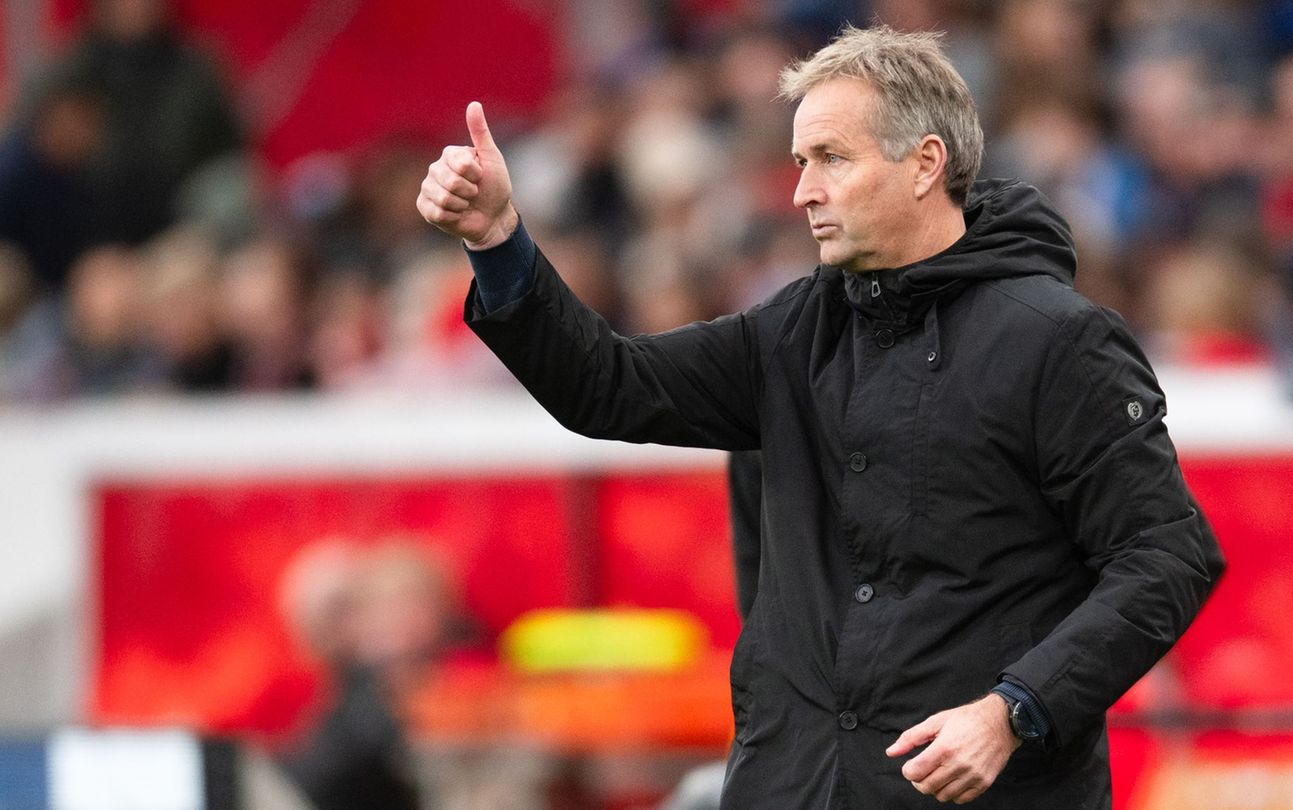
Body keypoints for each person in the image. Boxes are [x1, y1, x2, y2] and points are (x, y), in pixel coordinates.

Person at [418, 24, 1224, 808]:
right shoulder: (792, 330)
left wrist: (1014, 711)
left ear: (925, 164)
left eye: (831, 159)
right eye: (801, 161)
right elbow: (608, 385)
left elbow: (1168, 556)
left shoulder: (1059, 341)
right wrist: (498, 241)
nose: (803, 189)